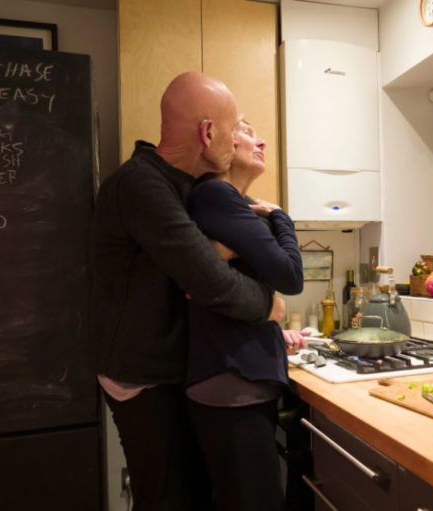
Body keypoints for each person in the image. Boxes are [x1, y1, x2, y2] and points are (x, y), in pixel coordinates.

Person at [89, 72, 284, 511]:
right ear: (208, 132)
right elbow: (210, 283)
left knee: (191, 493)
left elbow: (202, 263)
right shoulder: (143, 185)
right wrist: (269, 305)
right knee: (168, 498)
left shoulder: (184, 186)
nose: (237, 141)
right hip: (142, 374)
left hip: (170, 369)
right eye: (234, 130)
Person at [185, 119, 304, 511]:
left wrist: (274, 330)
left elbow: (231, 290)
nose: (262, 141)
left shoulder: (227, 205)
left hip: (235, 378)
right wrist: (282, 217)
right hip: (233, 382)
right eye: (249, 131)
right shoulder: (216, 194)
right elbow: (290, 276)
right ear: (221, 139)